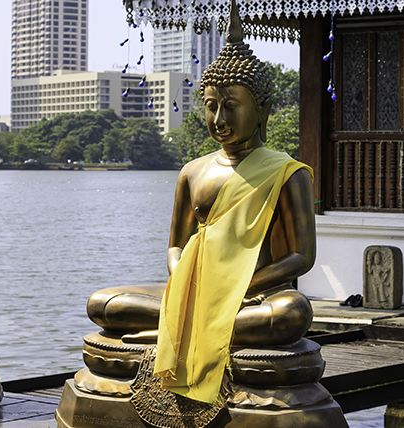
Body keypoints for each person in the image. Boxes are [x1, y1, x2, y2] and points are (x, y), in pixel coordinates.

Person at [82, 5, 316, 403]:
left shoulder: (288, 172)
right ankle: (191, 324)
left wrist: (242, 288)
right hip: (192, 289)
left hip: (255, 294)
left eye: (231, 106)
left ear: (263, 109)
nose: (219, 118)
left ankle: (177, 330)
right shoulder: (193, 171)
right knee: (103, 304)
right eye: (211, 105)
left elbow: (301, 256)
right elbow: (176, 244)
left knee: (292, 314)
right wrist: (184, 285)